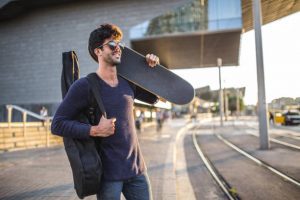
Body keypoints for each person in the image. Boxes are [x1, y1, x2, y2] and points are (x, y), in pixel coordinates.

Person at [51, 24, 160, 200]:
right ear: (98, 51)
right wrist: (95, 130)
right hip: (108, 178)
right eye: (111, 44)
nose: (118, 47)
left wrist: (151, 69)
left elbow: (160, 96)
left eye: (119, 43)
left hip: (137, 171)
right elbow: (57, 124)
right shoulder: (85, 86)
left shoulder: (128, 81)